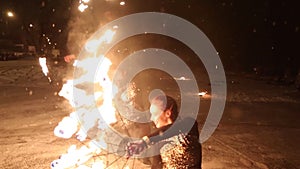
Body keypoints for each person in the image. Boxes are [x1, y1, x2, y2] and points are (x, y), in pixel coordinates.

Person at [126, 95, 202, 169]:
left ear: (168, 113)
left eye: (155, 114)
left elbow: (172, 129)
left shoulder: (188, 125)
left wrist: (145, 142)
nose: (152, 118)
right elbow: (156, 166)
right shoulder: (158, 141)